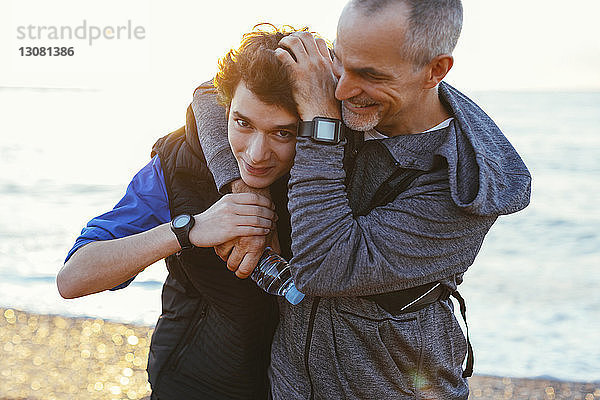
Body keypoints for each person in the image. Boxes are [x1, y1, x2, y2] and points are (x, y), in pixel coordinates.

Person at [192, 0, 532, 399]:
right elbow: (213, 94)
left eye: (369, 75)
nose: (341, 89)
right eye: (340, 61)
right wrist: (246, 192)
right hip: (288, 385)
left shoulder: (465, 186)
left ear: (435, 70)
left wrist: (321, 120)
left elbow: (323, 268)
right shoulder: (349, 90)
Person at [57, 25, 307, 399]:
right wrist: (187, 230)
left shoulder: (327, 168)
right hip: (192, 382)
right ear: (225, 106)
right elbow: (73, 278)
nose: (257, 154)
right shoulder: (178, 163)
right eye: (243, 123)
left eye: (282, 133)